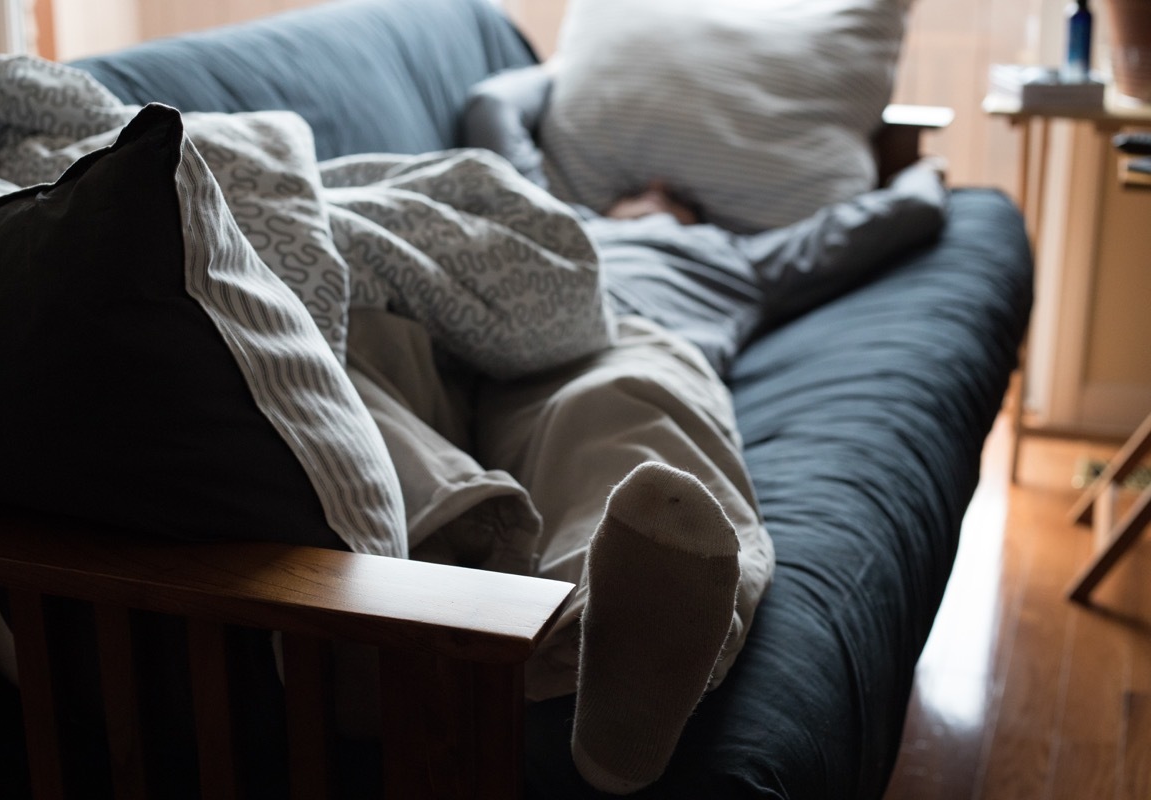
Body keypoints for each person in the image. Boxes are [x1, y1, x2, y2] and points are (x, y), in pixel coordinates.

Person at [345, 62, 947, 795]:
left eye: (673, 195)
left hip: (624, 340)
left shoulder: (743, 256)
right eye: (641, 189)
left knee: (625, 414)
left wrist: (933, 167)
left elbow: (897, 218)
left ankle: (603, 664)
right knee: (361, 361)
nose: (654, 193)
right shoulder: (564, 216)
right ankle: (430, 562)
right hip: (478, 343)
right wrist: (575, 70)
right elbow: (490, 105)